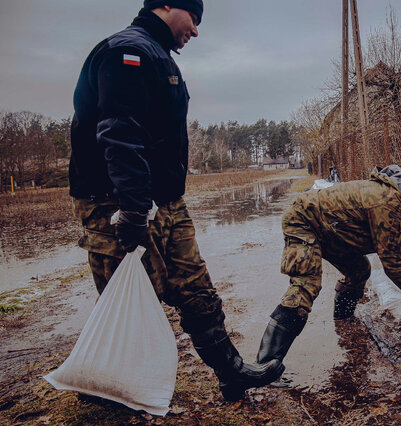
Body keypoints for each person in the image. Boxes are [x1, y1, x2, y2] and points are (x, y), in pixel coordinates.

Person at [68, 0, 283, 402]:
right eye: (194, 18)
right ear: (167, 5)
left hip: (165, 203)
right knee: (129, 298)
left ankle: (231, 372)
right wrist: (131, 208)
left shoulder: (157, 55)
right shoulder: (125, 52)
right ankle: (99, 385)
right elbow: (118, 130)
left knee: (196, 287)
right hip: (117, 204)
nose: (196, 30)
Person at [256, 164, 401, 365]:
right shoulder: (387, 203)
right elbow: (393, 264)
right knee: (306, 286)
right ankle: (267, 364)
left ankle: (343, 319)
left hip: (331, 230)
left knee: (359, 269)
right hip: (304, 221)